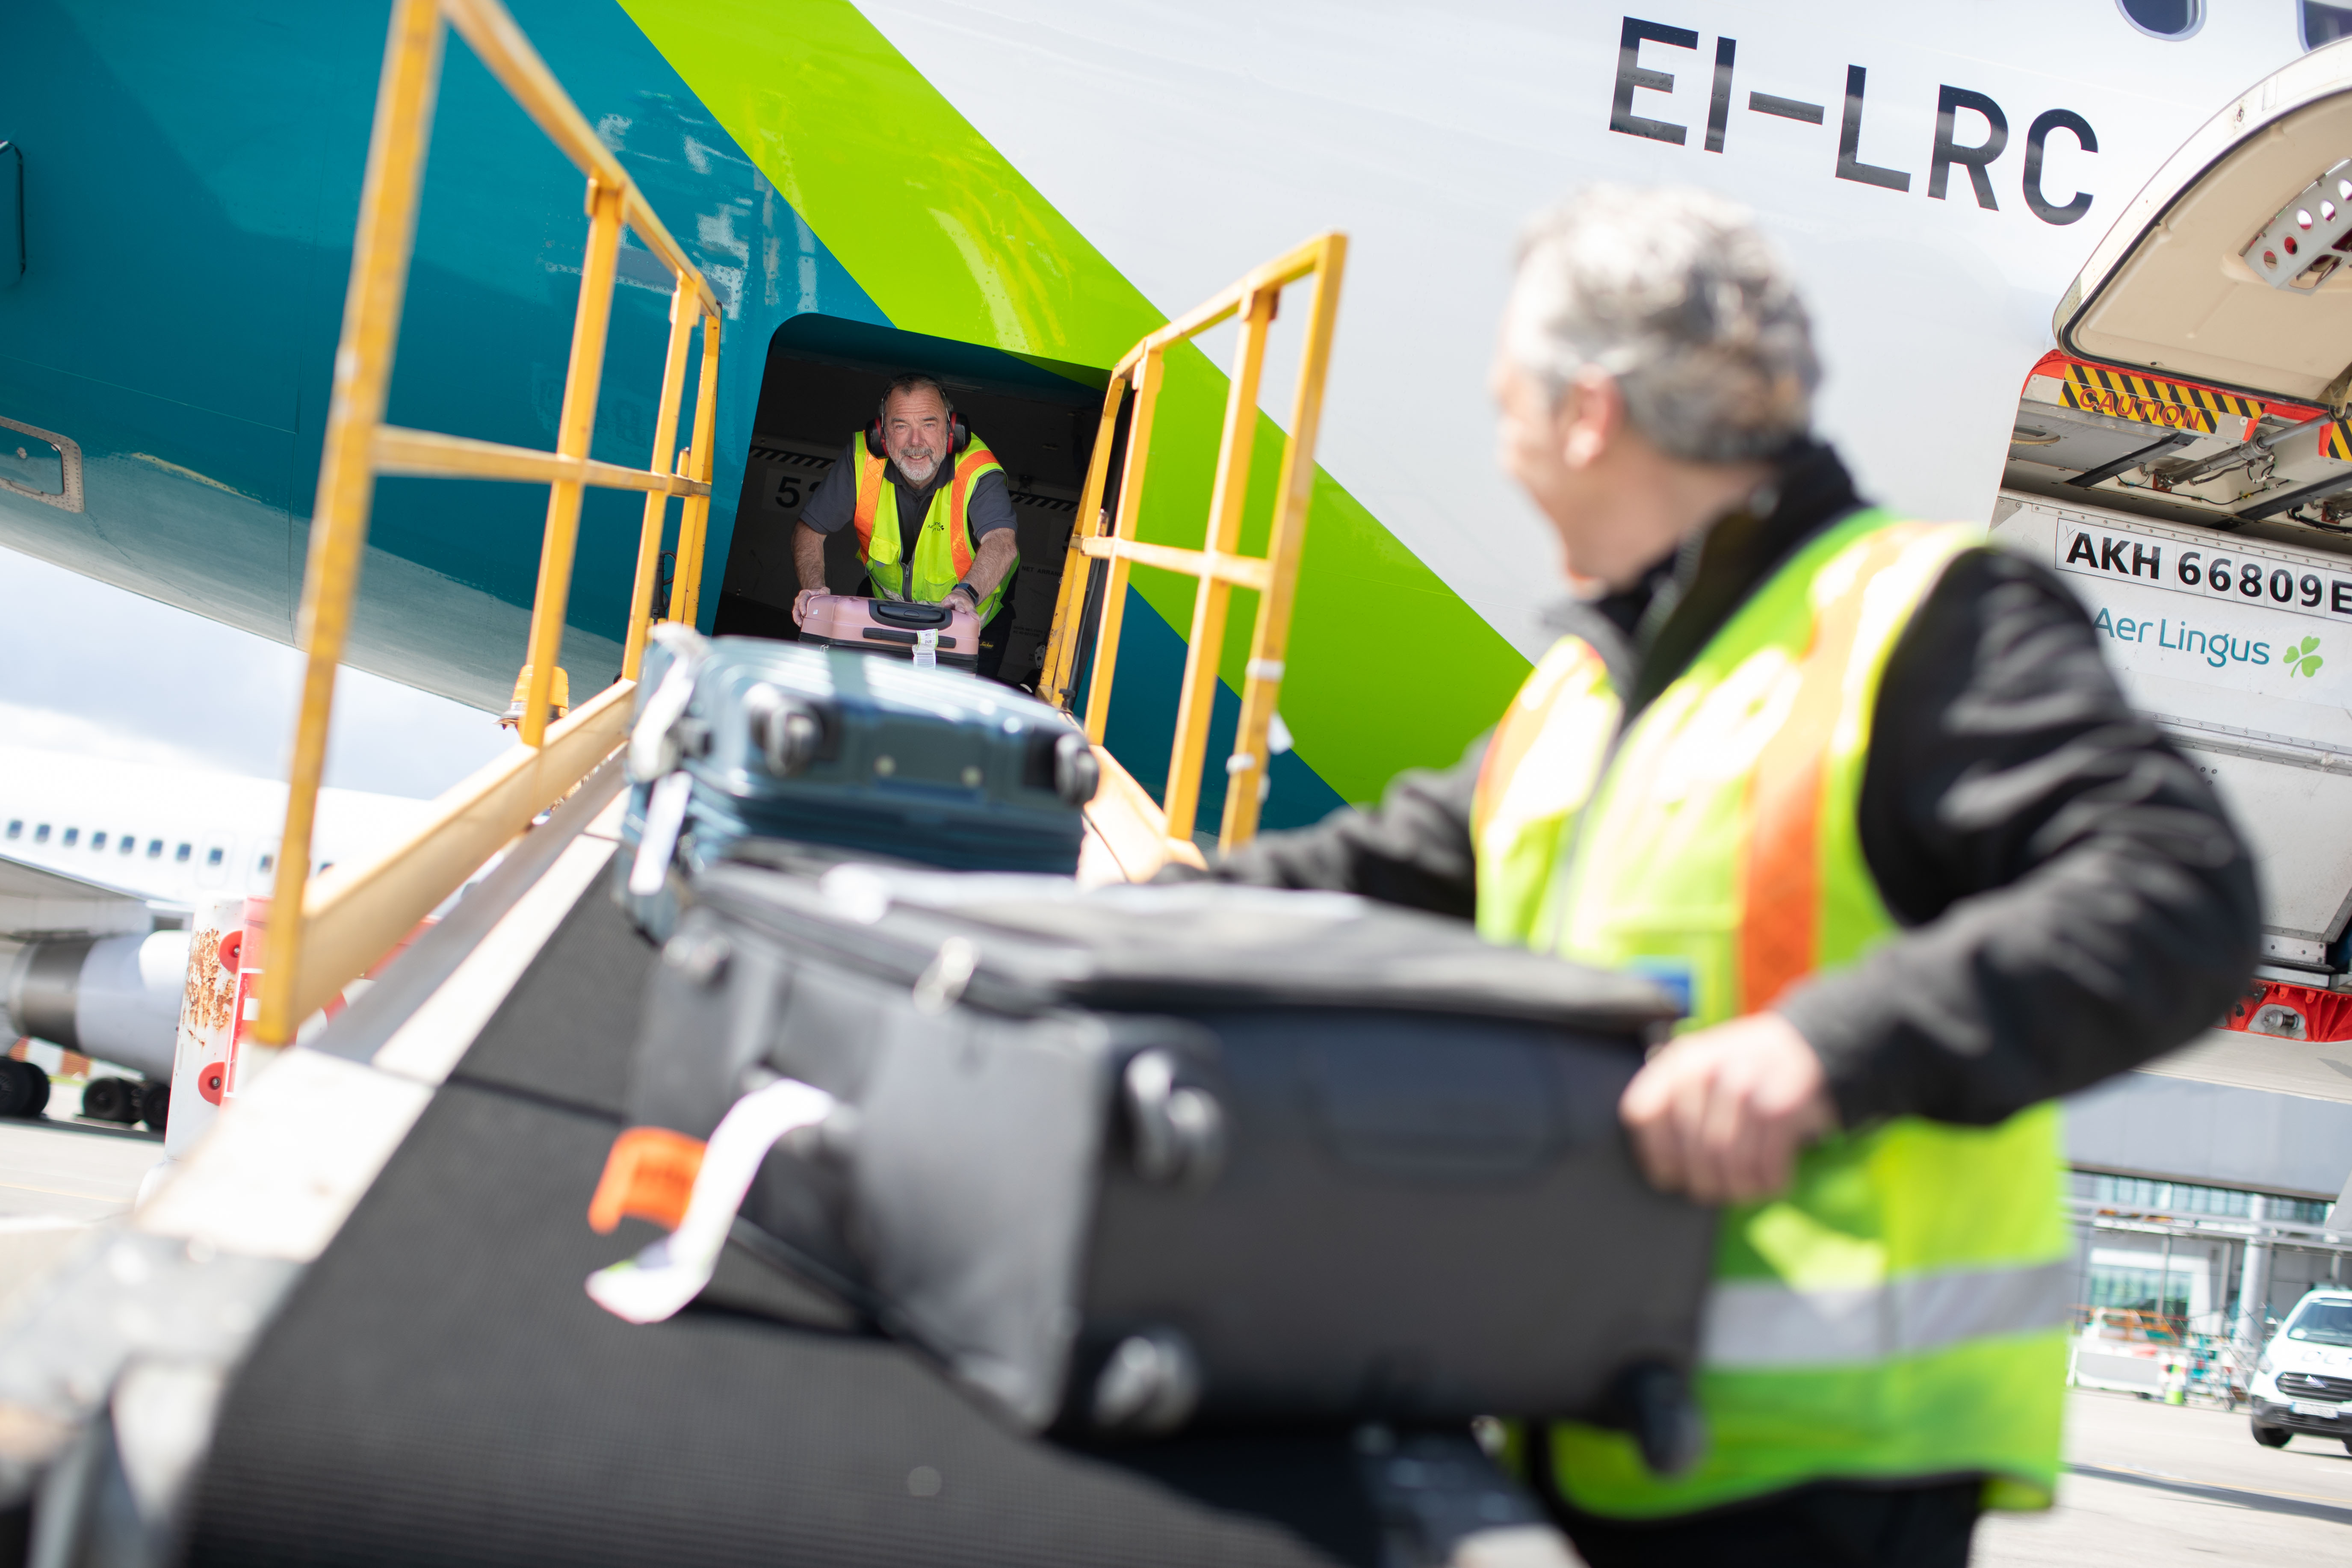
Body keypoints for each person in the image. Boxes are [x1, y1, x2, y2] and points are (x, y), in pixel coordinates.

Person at [1174, 186, 2259, 1565]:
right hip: (1588, 1416)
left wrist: (1823, 1051)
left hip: (1814, 1477)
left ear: (1588, 414)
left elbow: (2178, 891)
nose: (1501, 448)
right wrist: (1103, 918)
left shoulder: (1924, 619)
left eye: (1507, 401)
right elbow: (1375, 871)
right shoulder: (1591, 688)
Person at [790, 372, 1019, 675]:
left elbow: (1003, 542)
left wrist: (967, 594)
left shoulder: (977, 469)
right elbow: (809, 531)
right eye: (901, 426)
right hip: (885, 618)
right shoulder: (862, 460)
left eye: (929, 424)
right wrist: (813, 589)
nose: (916, 442)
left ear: (953, 431)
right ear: (881, 435)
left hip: (969, 626)